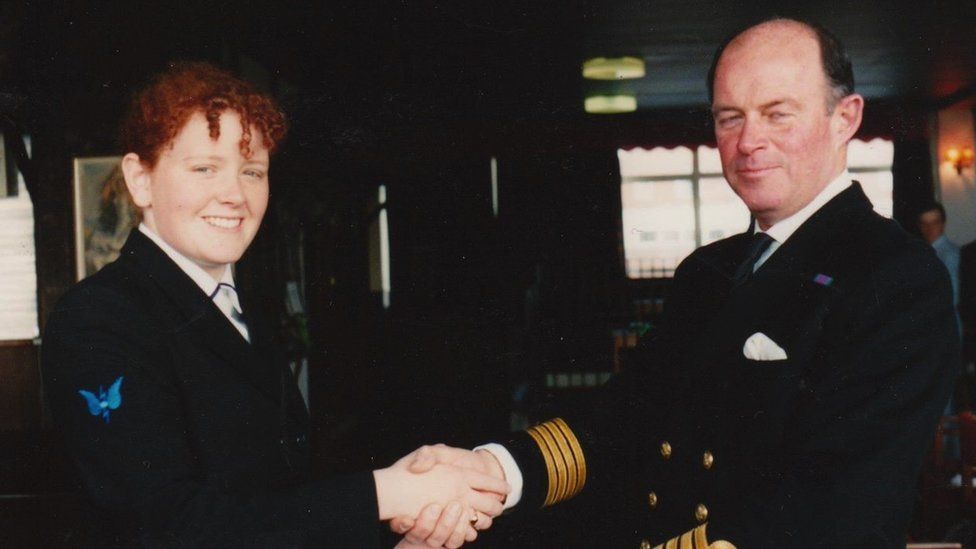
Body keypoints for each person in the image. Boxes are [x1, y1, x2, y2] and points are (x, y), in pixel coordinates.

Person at [397, 17, 958, 548]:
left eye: (778, 113)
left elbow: (833, 504)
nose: (749, 141)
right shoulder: (709, 271)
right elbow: (630, 414)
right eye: (729, 117)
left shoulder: (895, 275)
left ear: (846, 118)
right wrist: (493, 470)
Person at [42, 62, 508, 548]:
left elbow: (281, 503)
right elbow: (163, 525)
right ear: (140, 180)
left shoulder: (242, 310)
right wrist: (384, 493)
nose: (234, 195)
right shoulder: (99, 319)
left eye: (252, 172)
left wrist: (400, 535)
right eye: (204, 168)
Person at [918, 202, 961, 332]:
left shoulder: (949, 254)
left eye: (934, 223)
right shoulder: (925, 253)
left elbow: (952, 297)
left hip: (944, 326)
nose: (929, 229)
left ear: (942, 224)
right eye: (924, 224)